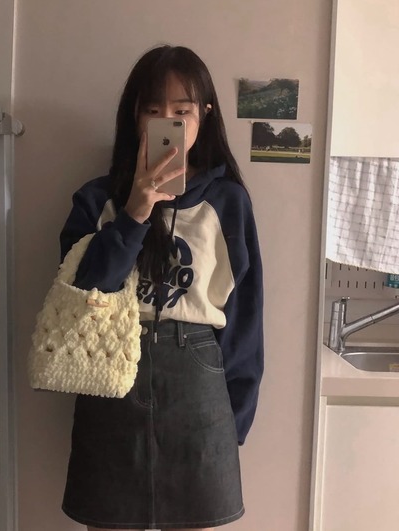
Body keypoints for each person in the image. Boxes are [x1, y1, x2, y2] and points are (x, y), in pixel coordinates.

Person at [60, 45, 264, 530]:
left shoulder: (227, 201)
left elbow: (245, 320)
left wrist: (234, 422)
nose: (166, 121)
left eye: (181, 111)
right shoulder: (96, 200)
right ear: (134, 116)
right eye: (153, 110)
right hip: (109, 374)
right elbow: (84, 293)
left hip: (199, 380)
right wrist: (135, 212)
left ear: (203, 117)